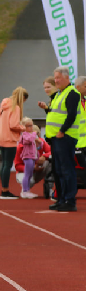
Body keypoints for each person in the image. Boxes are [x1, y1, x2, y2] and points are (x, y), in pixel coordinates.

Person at [46, 67, 83, 212]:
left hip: (65, 137)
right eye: (55, 78)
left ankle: (69, 200)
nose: (56, 80)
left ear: (67, 78)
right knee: (58, 170)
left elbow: (71, 115)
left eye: (58, 78)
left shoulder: (72, 93)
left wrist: (62, 131)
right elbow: (55, 114)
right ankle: (61, 199)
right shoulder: (59, 94)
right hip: (56, 138)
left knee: (67, 170)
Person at [0, 86, 28, 199]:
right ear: (22, 98)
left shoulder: (5, 104)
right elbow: (13, 125)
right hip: (10, 138)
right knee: (7, 165)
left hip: (1, 136)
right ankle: (5, 191)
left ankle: (4, 189)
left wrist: (3, 125)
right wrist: (23, 128)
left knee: (4, 164)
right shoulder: (15, 107)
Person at [38, 76, 59, 200]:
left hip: (60, 136)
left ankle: (58, 191)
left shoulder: (58, 98)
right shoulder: (52, 99)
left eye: (48, 87)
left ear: (55, 86)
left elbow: (58, 116)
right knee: (54, 164)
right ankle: (54, 190)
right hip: (53, 137)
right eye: (44, 87)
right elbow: (53, 115)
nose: (46, 89)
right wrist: (46, 109)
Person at [15, 124, 51, 197]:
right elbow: (17, 166)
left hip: (38, 170)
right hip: (24, 171)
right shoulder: (20, 147)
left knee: (51, 163)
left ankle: (49, 188)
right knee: (29, 180)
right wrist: (32, 168)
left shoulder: (41, 142)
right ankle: (25, 190)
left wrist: (44, 156)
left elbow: (51, 151)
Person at [16, 118, 43, 198]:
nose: (31, 127)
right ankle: (25, 191)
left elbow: (39, 146)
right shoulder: (24, 135)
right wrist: (34, 134)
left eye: (32, 125)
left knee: (30, 174)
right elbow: (29, 140)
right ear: (24, 127)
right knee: (27, 174)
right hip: (27, 156)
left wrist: (39, 143)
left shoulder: (31, 135)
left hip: (32, 156)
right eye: (29, 126)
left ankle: (27, 190)